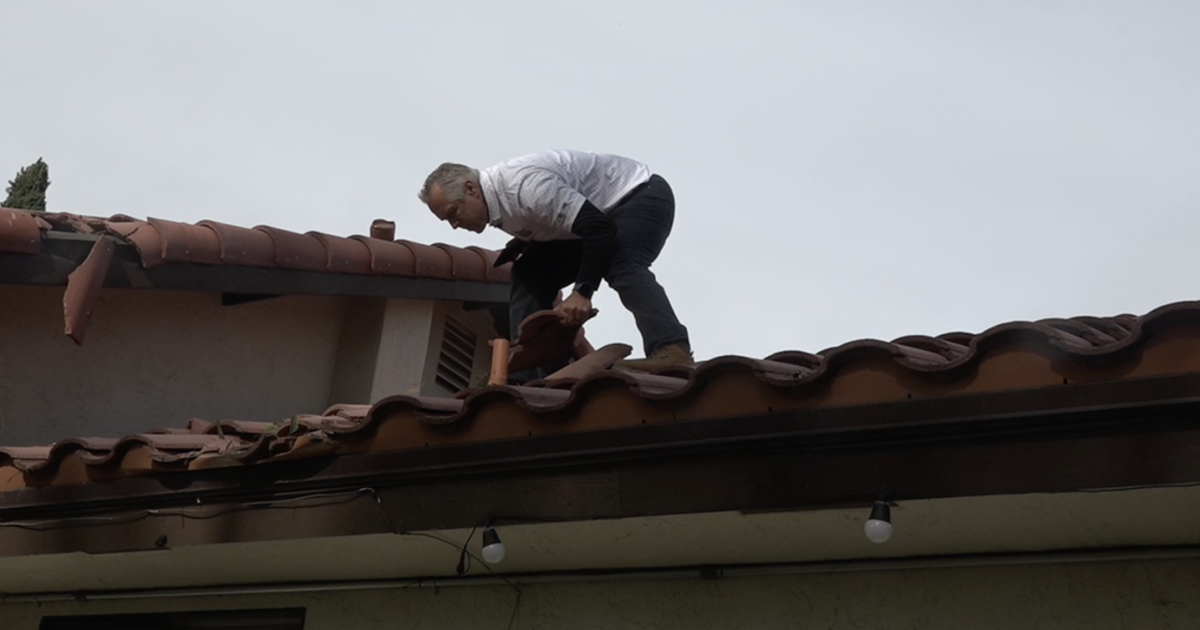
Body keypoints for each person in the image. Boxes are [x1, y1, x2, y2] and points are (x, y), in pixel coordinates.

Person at [419, 149, 691, 373]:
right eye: (448, 220)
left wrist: (582, 292)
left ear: (471, 189)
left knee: (622, 264)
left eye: (454, 213)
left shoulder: (525, 188)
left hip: (637, 196)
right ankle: (531, 373)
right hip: (595, 220)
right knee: (529, 273)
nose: (454, 225)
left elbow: (599, 230)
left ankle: (671, 349)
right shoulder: (497, 202)